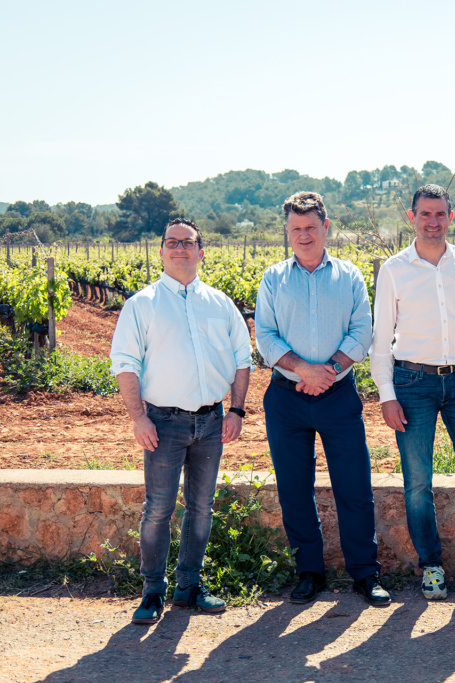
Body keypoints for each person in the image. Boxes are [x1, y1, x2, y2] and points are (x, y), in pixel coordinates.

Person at [110, 218, 252, 625]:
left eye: (187, 243)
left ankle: (189, 586)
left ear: (200, 251)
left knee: (201, 508)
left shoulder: (220, 303)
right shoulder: (142, 304)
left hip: (211, 422)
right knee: (157, 509)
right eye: (172, 242)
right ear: (161, 251)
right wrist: (139, 418)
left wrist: (237, 410)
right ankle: (152, 591)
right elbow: (125, 363)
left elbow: (243, 358)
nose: (180, 249)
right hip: (162, 423)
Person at [254, 191, 390, 607]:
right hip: (286, 398)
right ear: (287, 231)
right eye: (295, 228)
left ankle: (365, 574)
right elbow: (265, 337)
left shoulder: (348, 275)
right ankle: (309, 572)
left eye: (310, 227)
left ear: (325, 227)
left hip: (337, 396)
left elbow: (362, 331)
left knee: (354, 486)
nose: (303, 235)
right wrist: (304, 371)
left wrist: (325, 372)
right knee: (295, 488)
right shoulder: (273, 278)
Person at [371, 184, 455, 600]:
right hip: (413, 384)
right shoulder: (394, 268)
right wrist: (386, 394)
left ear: (451, 217)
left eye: (440, 214)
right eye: (425, 214)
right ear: (412, 218)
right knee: (417, 482)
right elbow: (380, 337)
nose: (433, 221)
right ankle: (430, 566)